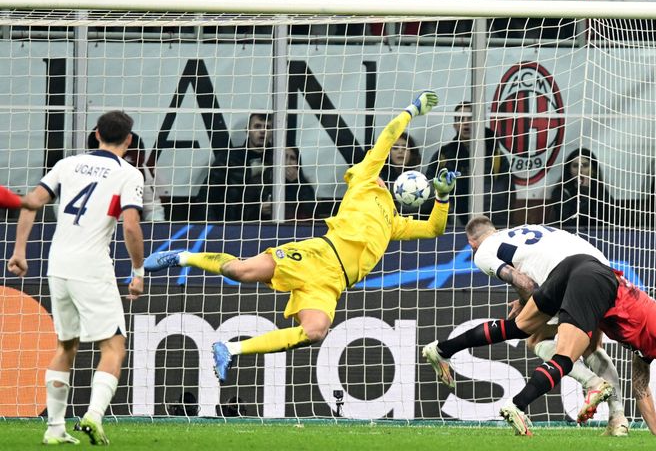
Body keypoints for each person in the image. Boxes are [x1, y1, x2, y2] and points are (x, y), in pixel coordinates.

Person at [143, 92, 459, 383]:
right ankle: (182, 257)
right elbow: (388, 138)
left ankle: (230, 349)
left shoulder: (393, 221)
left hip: (332, 284)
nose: (374, 168)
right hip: (317, 255)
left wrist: (442, 199)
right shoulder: (364, 180)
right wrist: (410, 112)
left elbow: (434, 229)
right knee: (239, 271)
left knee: (315, 331)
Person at [6, 111, 145, 446]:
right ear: (129, 140)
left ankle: (54, 429)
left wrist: (20, 250)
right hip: (92, 266)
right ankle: (93, 416)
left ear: (96, 134)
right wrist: (138, 271)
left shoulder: (67, 165)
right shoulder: (129, 174)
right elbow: (130, 225)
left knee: (66, 344)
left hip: (58, 265)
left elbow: (32, 202)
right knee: (113, 345)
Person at [422, 216, 629, 436]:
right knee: (586, 346)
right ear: (494, 229)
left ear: (472, 243)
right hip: (602, 271)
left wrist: (524, 302)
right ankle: (617, 418)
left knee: (540, 340)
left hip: (574, 279)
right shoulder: (525, 229)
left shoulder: (483, 252)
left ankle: (593, 387)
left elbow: (526, 284)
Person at [491, 248, 656, 438]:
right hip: (593, 291)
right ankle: (594, 386)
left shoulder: (652, 339)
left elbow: (640, 388)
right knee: (534, 336)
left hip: (595, 304)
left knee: (540, 339)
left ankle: (615, 417)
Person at [426, 101, 512, 227]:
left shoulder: (496, 156)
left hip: (488, 224)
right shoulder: (443, 156)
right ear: (455, 125)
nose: (466, 122)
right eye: (461, 119)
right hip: (452, 226)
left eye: (470, 118)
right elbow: (430, 188)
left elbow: (507, 194)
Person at [204, 112, 275, 222]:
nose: (262, 131)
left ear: (273, 132)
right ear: (247, 130)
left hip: (273, 229)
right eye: (257, 126)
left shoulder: (279, 160)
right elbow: (207, 195)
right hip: (231, 227)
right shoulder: (228, 158)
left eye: (267, 127)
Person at [87, 129, 165, 222]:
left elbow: (152, 208)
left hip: (125, 228)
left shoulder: (141, 171)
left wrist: (158, 227)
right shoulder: (87, 169)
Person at [548, 148, 614, 229]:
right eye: (575, 166)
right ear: (569, 170)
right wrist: (584, 191)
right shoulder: (561, 192)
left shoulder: (601, 191)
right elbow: (569, 223)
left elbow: (612, 222)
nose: (580, 170)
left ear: (593, 169)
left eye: (585, 165)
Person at [284, 146, 316, 221]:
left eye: (292, 158)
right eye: (284, 157)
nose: (288, 163)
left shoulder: (305, 186)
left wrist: (295, 181)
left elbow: (312, 211)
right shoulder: (268, 181)